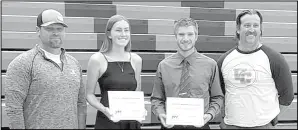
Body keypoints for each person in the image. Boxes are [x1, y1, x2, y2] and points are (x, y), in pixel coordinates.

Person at [5, 9, 87, 129]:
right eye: (49, 29)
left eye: (60, 29)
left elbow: (81, 104)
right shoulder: (22, 63)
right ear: (38, 31)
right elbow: (14, 110)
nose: (56, 33)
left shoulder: (74, 63)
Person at [217, 9, 294, 129]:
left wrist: (268, 119)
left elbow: (287, 96)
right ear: (238, 29)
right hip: (231, 125)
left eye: (256, 25)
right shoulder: (224, 60)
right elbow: (218, 94)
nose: (251, 30)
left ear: (260, 29)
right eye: (247, 25)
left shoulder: (274, 58)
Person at [150, 18, 224, 129]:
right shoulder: (164, 66)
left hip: (200, 125)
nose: (185, 39)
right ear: (175, 36)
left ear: (196, 36)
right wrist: (161, 114)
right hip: (171, 125)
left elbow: (217, 97)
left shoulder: (210, 65)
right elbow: (157, 99)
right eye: (181, 34)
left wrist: (209, 115)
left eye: (190, 34)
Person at [86, 14, 145, 129]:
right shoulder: (97, 59)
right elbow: (89, 94)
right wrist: (104, 109)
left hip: (131, 122)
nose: (123, 34)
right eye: (118, 30)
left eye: (126, 30)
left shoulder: (136, 60)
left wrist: (140, 110)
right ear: (109, 34)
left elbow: (137, 93)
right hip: (108, 120)